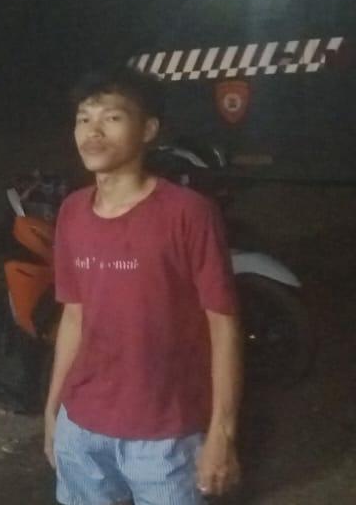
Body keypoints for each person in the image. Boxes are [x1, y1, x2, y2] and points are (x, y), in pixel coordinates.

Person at [44, 66, 242, 505]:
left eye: (112, 118)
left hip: (165, 437)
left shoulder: (188, 213)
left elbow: (223, 326)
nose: (93, 131)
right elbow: (74, 315)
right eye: (83, 119)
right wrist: (53, 409)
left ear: (148, 129)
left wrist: (221, 434)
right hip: (82, 428)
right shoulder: (72, 211)